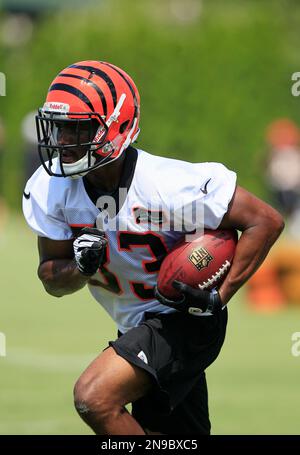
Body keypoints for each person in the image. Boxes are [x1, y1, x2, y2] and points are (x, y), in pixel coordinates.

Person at [22, 60, 284, 435]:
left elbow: (265, 220)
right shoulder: (51, 189)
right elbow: (52, 277)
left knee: (95, 397)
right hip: (135, 325)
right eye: (60, 127)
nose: (63, 141)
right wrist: (79, 266)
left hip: (184, 317)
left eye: (77, 128)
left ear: (116, 127)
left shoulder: (169, 185)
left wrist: (219, 296)